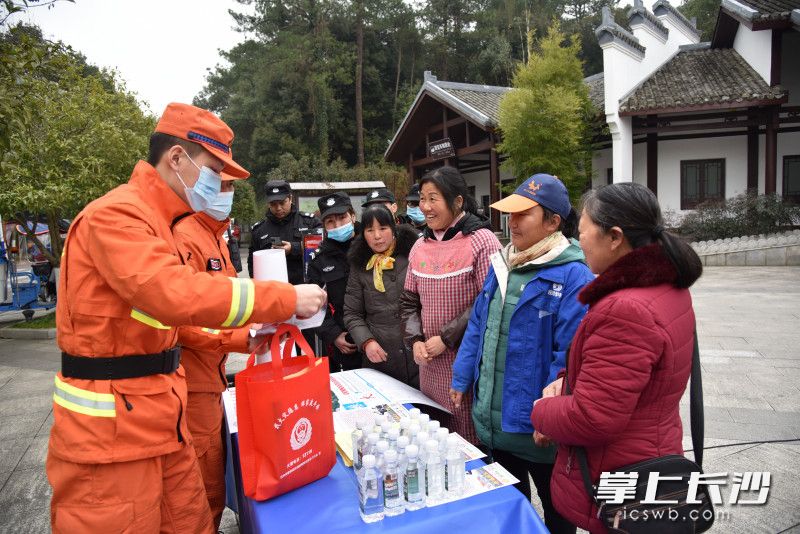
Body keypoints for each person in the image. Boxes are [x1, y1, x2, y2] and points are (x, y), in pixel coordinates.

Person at [47, 102, 327, 533]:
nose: (218, 184)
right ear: (176, 159)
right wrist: (284, 299)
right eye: (214, 170)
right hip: (110, 438)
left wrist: (239, 341)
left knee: (195, 523)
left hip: (162, 415)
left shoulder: (160, 222)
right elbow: (172, 293)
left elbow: (169, 321)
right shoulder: (117, 215)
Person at [531, 182, 703, 533]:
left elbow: (593, 418)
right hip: (655, 450)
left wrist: (542, 410)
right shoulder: (667, 286)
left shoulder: (625, 308)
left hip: (621, 471)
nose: (580, 245)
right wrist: (571, 380)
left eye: (583, 233)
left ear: (614, 237)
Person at [449, 174, 593, 533]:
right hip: (495, 424)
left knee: (559, 511)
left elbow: (570, 356)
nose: (511, 223)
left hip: (539, 431)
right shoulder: (502, 265)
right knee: (511, 510)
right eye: (509, 215)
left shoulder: (574, 276)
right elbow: (478, 328)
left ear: (553, 222)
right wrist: (461, 376)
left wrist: (550, 414)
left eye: (523, 215)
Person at [171, 174, 254, 529]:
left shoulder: (215, 236)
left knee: (212, 477)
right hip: (191, 382)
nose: (228, 194)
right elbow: (180, 319)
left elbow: (229, 302)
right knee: (200, 484)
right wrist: (238, 340)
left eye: (233, 187)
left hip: (211, 377)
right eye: (220, 184)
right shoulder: (185, 235)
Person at [400, 166, 501, 445]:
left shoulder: (482, 241)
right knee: (436, 437)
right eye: (422, 198)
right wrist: (415, 340)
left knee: (468, 439)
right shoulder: (420, 245)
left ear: (457, 202)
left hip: (466, 360)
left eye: (434, 198)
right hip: (428, 363)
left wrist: (446, 337)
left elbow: (489, 300)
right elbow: (409, 301)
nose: (425, 207)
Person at [344, 205, 420, 388]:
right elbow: (351, 313)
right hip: (382, 358)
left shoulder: (413, 255)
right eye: (370, 230)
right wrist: (367, 342)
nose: (377, 236)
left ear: (393, 229)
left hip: (418, 353)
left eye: (383, 228)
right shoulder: (360, 266)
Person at [307, 192, 361, 373]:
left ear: (353, 216)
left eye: (342, 217)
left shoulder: (373, 246)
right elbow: (313, 307)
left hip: (382, 336)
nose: (337, 225)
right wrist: (334, 335)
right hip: (348, 342)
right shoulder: (319, 261)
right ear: (324, 225)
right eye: (330, 221)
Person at [248, 179, 321, 283]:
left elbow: (322, 247)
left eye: (282, 203)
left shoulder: (310, 222)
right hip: (274, 291)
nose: (278, 208)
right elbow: (253, 264)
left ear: (290, 198)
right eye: (273, 204)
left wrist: (294, 248)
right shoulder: (259, 230)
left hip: (305, 288)